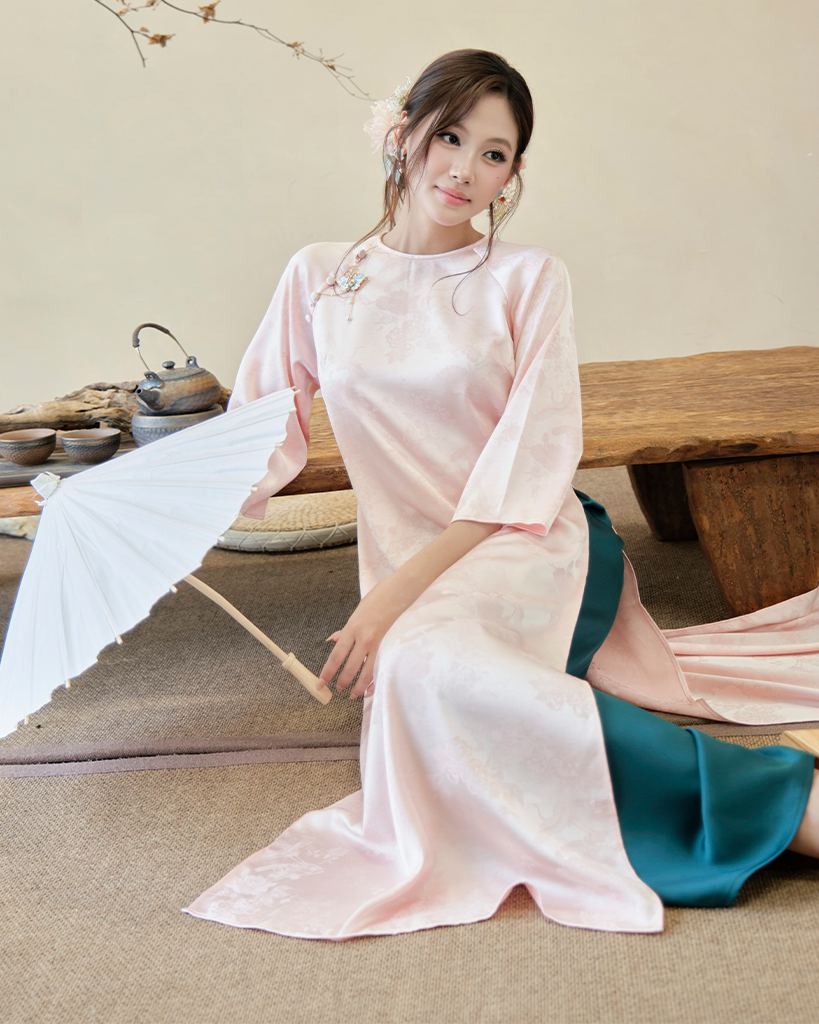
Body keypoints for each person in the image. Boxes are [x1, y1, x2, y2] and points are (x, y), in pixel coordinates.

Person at [184, 50, 819, 938]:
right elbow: (257, 429)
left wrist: (389, 603)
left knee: (420, 662)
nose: (464, 169)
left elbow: (531, 458)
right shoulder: (320, 275)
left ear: (512, 174)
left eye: (494, 153)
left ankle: (781, 805)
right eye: (449, 137)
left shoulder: (526, 277)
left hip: (524, 538)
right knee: (428, 675)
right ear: (401, 134)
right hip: (407, 555)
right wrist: (162, 509)